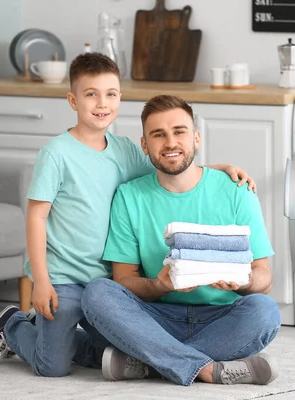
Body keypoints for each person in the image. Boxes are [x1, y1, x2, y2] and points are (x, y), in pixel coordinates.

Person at [0, 53, 256, 377]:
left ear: (120, 97)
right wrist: (41, 281)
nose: (102, 103)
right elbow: (36, 218)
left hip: (105, 283)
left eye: (111, 94)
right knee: (52, 366)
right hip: (64, 278)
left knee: (123, 345)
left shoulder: (126, 150)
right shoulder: (56, 153)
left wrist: (219, 168)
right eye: (91, 94)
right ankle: (14, 326)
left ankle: (101, 350)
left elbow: (169, 165)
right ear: (72, 100)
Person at [81, 94, 281, 387]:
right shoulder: (129, 196)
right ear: (145, 145)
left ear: (196, 138)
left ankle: (149, 363)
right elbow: (123, 279)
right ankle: (205, 369)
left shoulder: (237, 190)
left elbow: (265, 280)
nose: (170, 142)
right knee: (97, 294)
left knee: (264, 312)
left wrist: (243, 281)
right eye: (158, 135)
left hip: (220, 316)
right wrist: (159, 285)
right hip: (155, 316)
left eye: (179, 132)